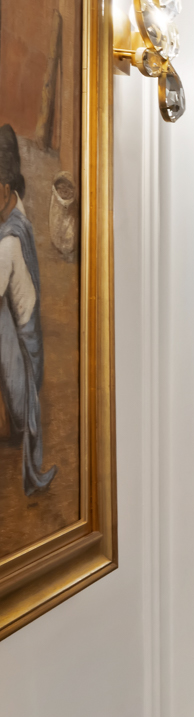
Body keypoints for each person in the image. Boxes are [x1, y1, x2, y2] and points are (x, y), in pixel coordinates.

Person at [0, 125, 55, 493]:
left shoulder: (8, 242)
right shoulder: (17, 211)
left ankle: (12, 417)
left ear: (4, 189)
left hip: (26, 359)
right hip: (32, 342)